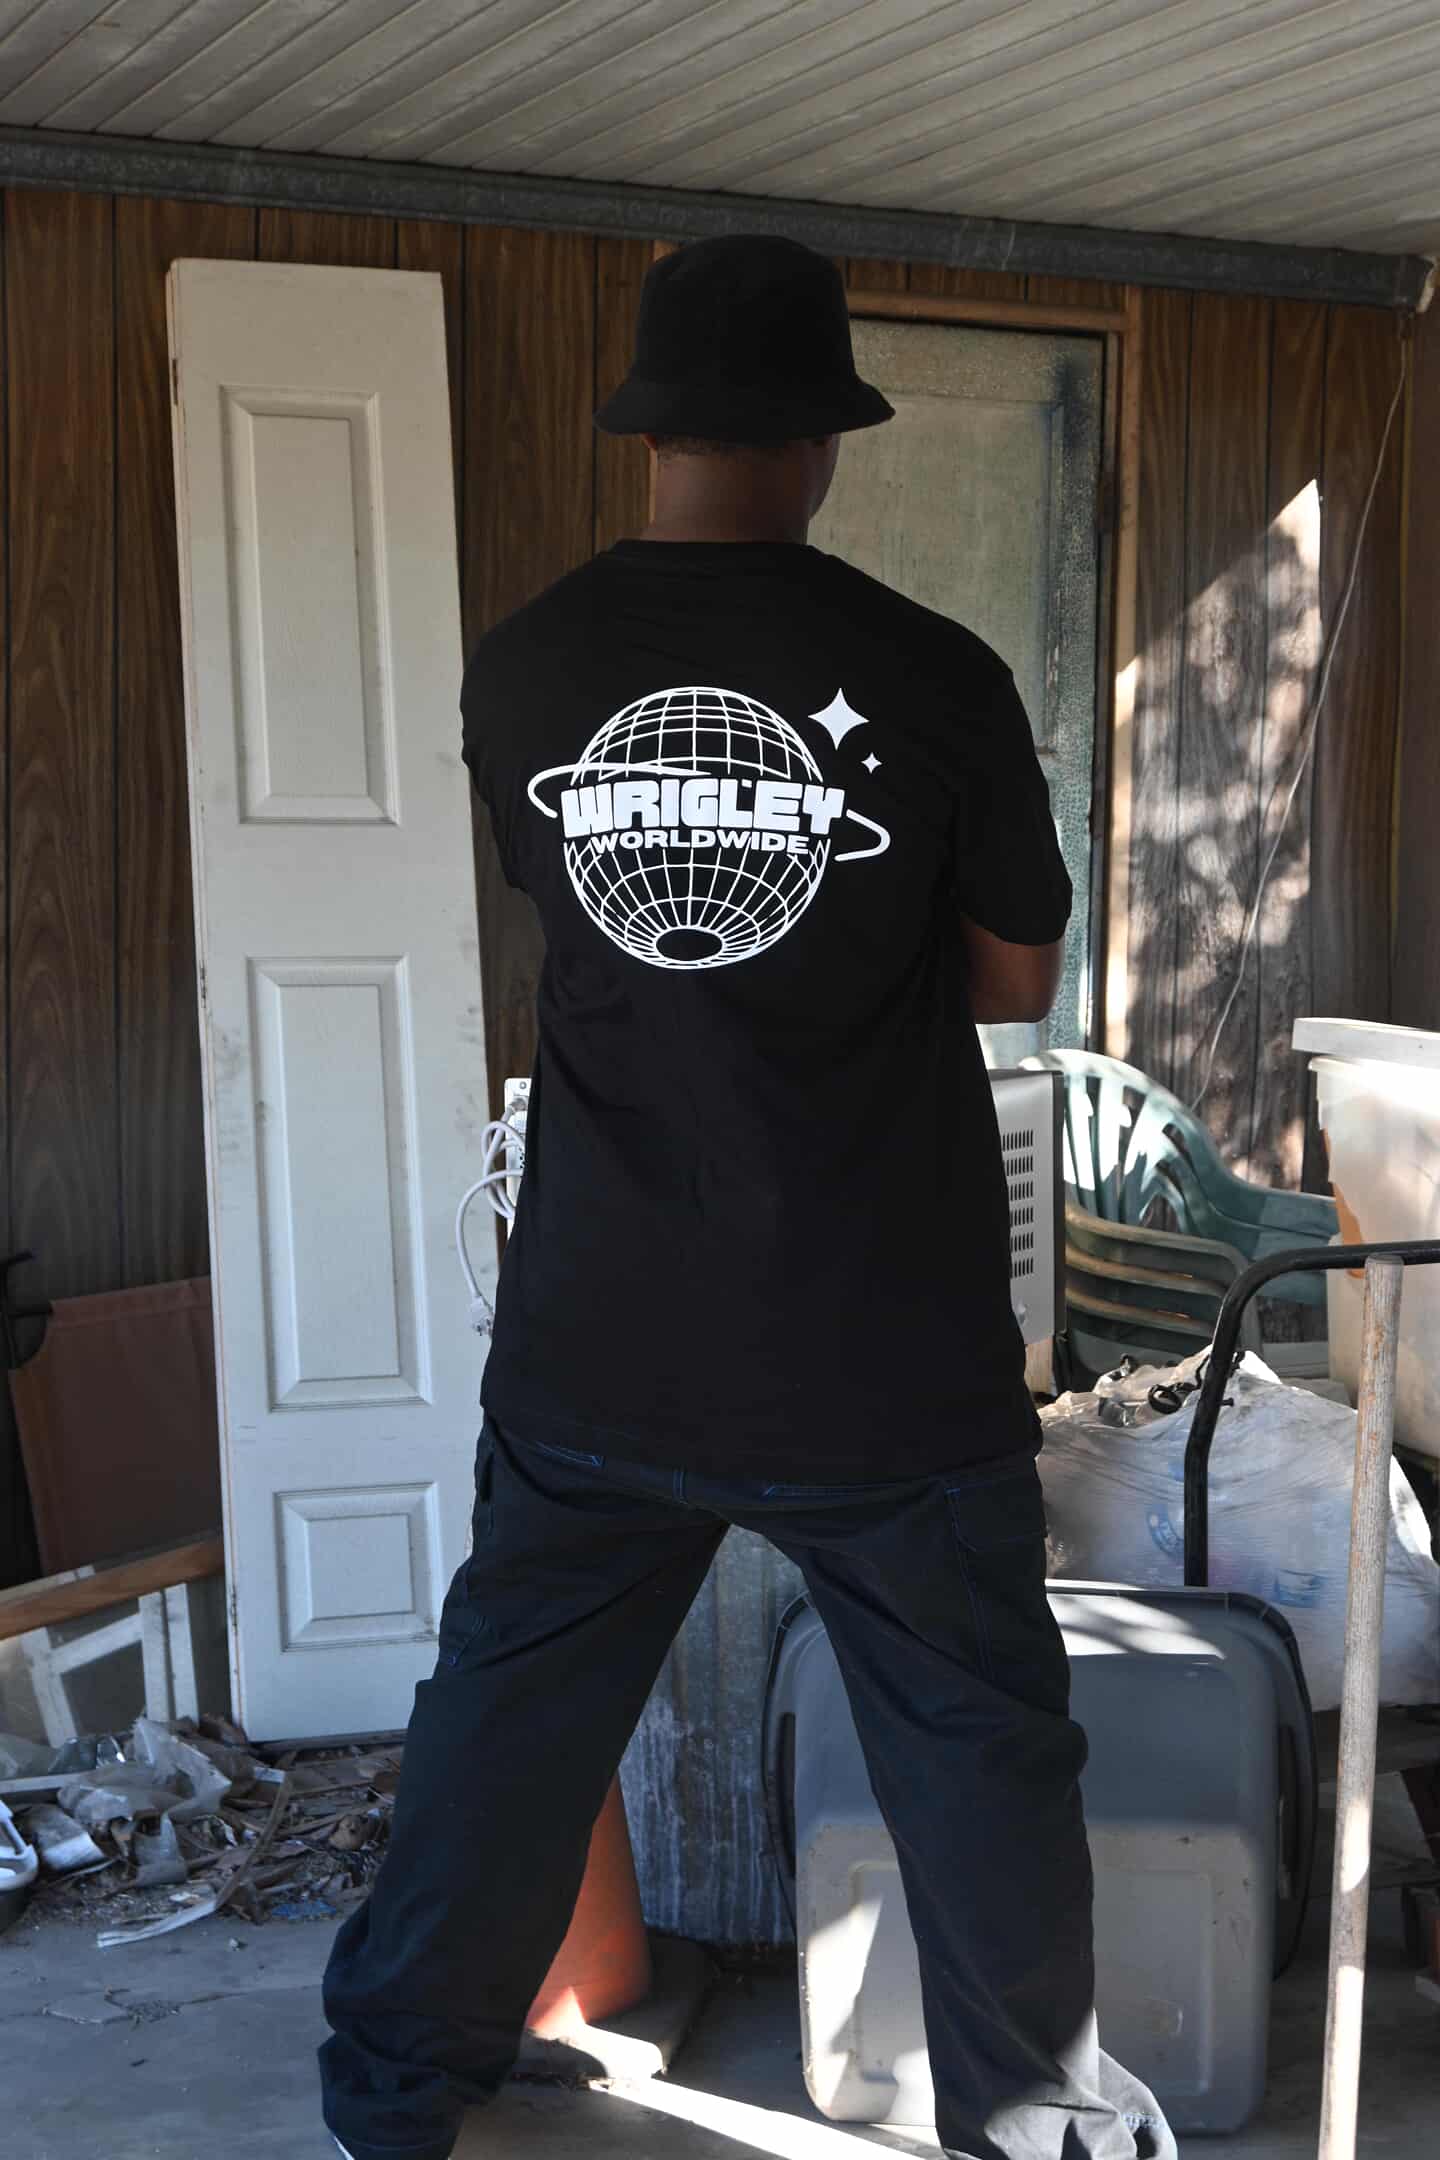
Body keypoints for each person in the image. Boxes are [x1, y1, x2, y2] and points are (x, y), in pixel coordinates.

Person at [319, 232, 1175, 2160]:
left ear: (652, 431)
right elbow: (1014, 980)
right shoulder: (936, 674)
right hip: (879, 1339)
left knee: (510, 1718)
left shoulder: (527, 667)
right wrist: (852, 940)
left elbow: (600, 932)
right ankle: (1032, 2116)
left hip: (602, 1327)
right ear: (819, 440)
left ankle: (395, 2088)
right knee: (975, 1742)